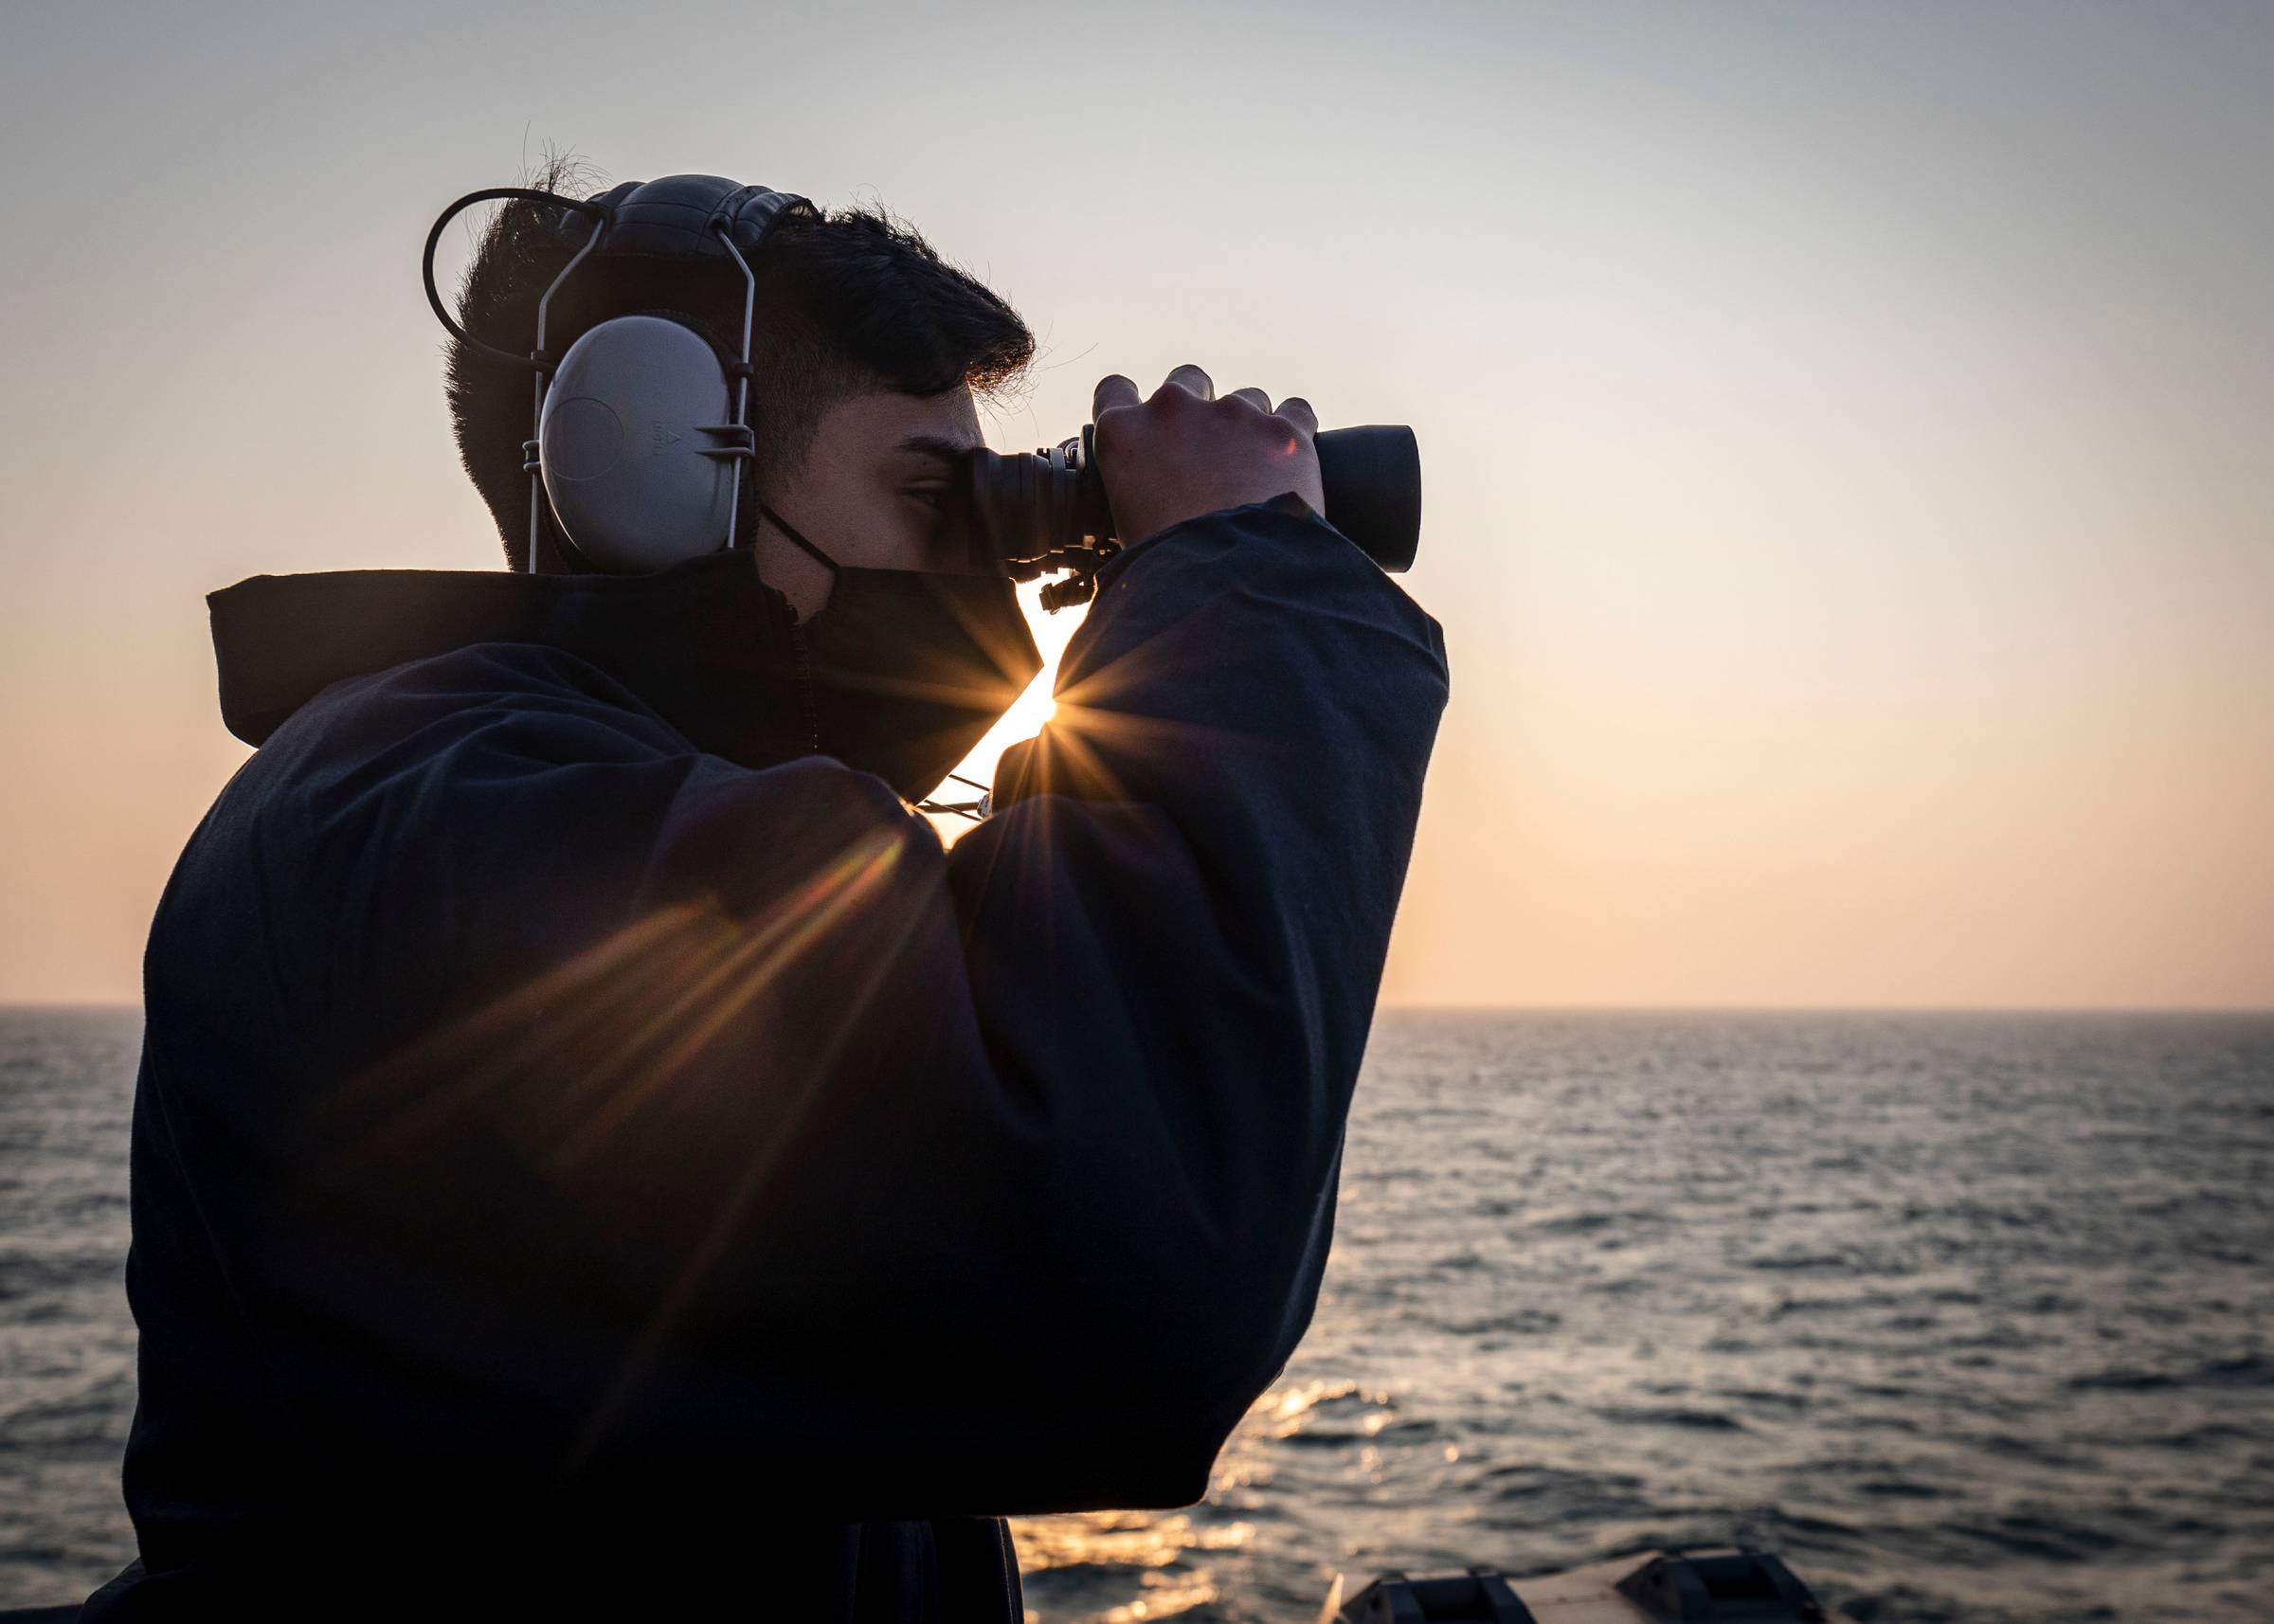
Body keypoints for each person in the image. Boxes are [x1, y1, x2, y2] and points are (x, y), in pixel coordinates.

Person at [85, 172, 1448, 1621]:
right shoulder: (416, 823)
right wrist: (1239, 578)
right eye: (937, 501)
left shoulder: (604, 811)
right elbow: (1132, 1247)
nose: (985, 578)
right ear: (665, 471)